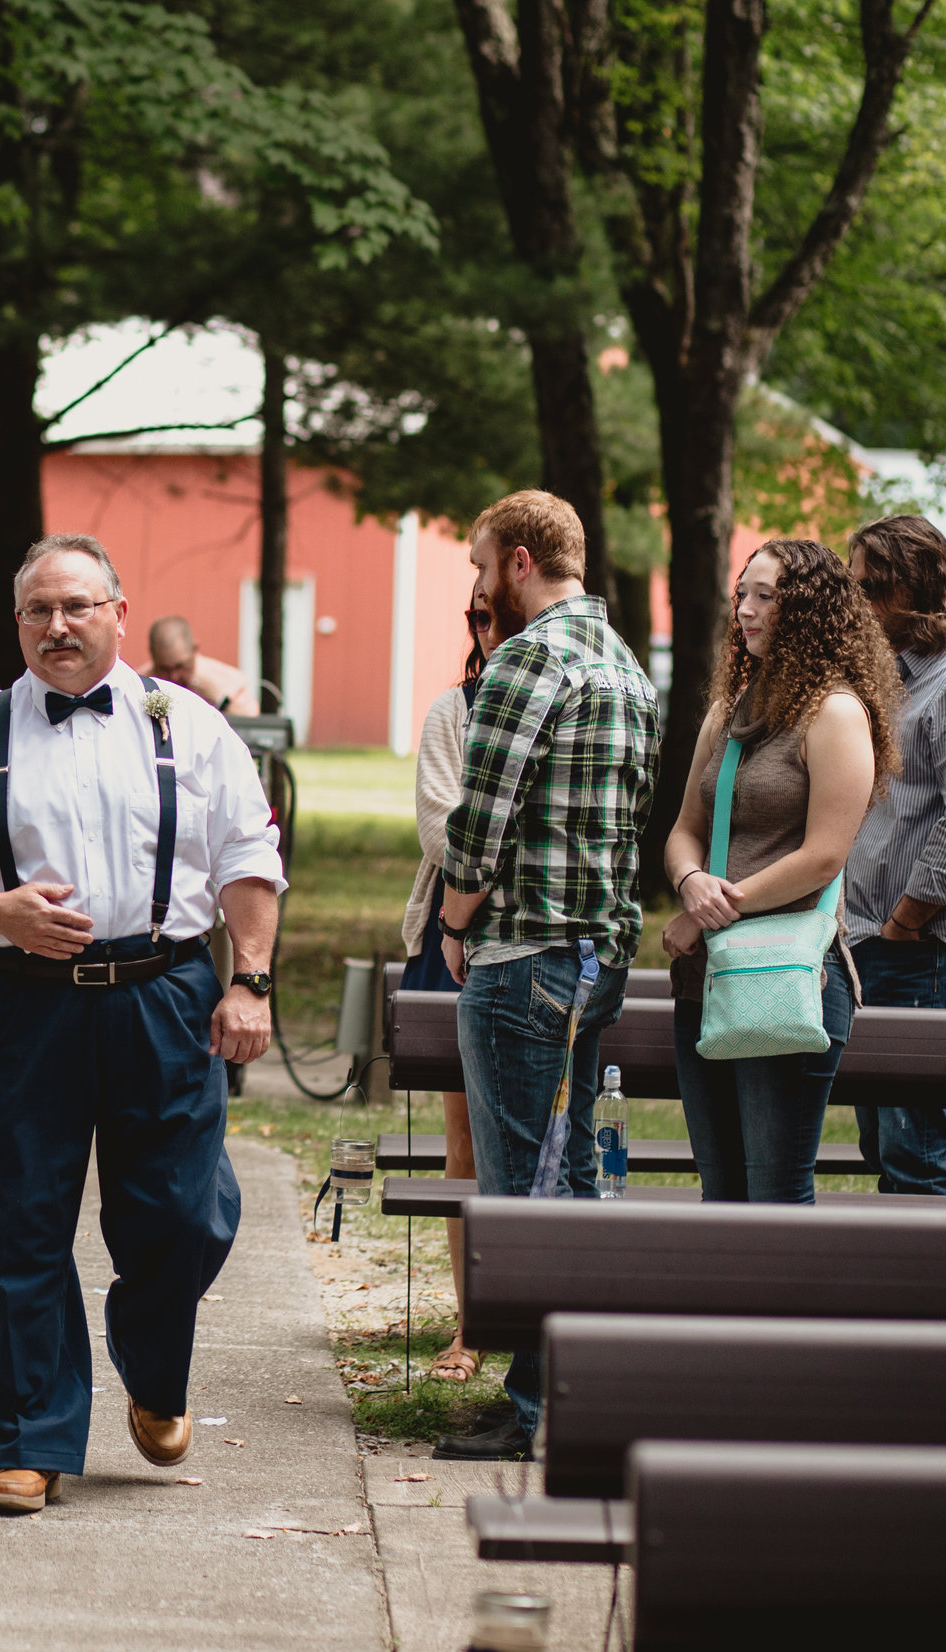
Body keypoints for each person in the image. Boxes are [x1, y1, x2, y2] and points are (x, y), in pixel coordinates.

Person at [0, 534, 286, 1515]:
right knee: (25, 1225)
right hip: (23, 1003)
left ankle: (154, 1370)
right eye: (37, 610)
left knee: (180, 1216)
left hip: (163, 993)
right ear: (16, 621)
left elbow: (246, 853)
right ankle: (29, 1439)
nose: (56, 626)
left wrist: (250, 981)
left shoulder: (187, 724)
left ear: (118, 610)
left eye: (75, 606)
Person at [433, 490, 659, 1464]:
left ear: (519, 560)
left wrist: (452, 918)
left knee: (521, 1188)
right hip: (596, 957)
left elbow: (478, 820)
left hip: (522, 955)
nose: (480, 589)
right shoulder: (627, 666)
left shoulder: (530, 657)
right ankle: (577, 1395)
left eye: (483, 569)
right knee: (570, 1182)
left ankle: (524, 1411)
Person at [656, 540, 897, 1204]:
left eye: (766, 596)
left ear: (812, 609)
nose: (747, 610)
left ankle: (785, 1312)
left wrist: (713, 905)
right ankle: (726, 1313)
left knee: (775, 1194)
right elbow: (682, 830)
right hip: (709, 976)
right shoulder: (730, 711)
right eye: (742, 593)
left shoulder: (836, 713)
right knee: (722, 1191)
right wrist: (688, 881)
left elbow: (825, 855)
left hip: (789, 975)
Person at [841, 515, 946, 1194]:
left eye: (865, 588)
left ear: (905, 591)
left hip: (926, 949)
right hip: (875, 948)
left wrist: (906, 920)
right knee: (883, 1146)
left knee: (913, 1159)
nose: (852, 603)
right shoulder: (891, 682)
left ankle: (932, 1295)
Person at [401, 577, 500, 1383]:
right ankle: (469, 1326)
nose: (486, 623)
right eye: (475, 613)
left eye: (495, 606)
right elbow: (440, 825)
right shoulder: (452, 714)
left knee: (544, 1141)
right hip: (455, 937)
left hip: (540, 940)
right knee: (463, 1139)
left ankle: (534, 1310)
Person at [145, 615, 255, 712]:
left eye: (180, 666)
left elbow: (251, 719)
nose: (174, 676)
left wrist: (220, 701)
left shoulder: (229, 680)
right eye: (164, 669)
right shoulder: (141, 681)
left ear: (195, 649)